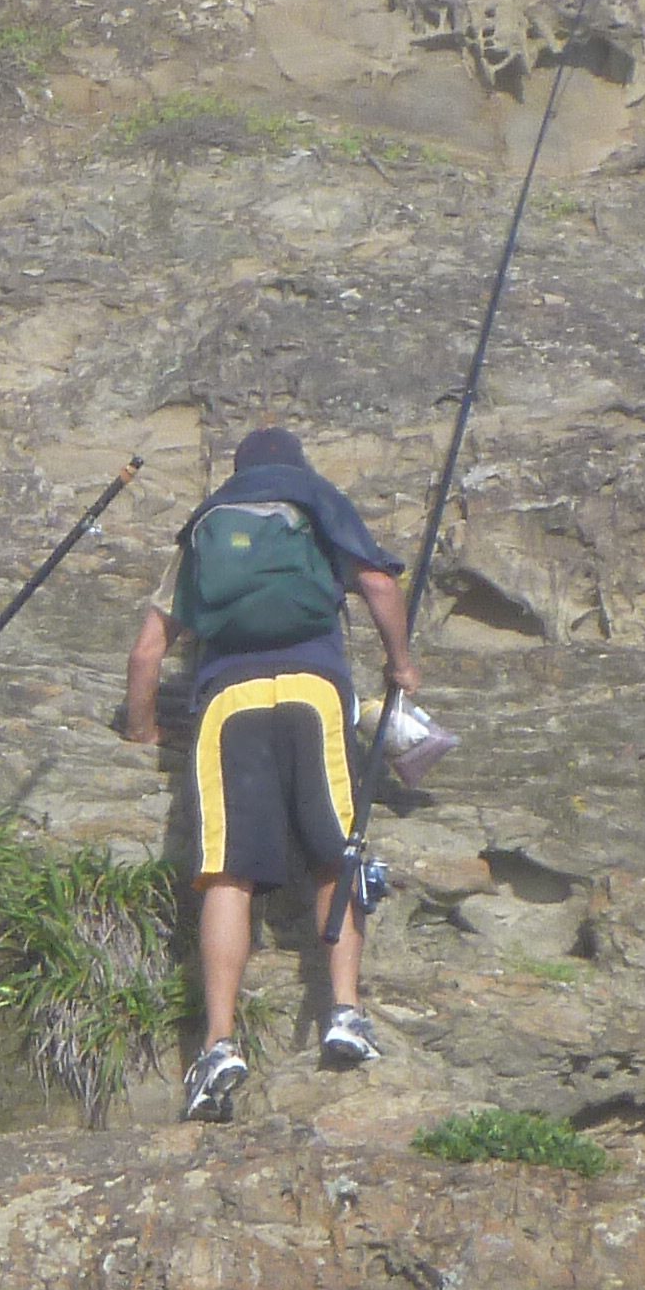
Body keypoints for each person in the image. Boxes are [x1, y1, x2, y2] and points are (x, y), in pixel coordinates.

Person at [117, 428, 420, 1120]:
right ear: (297, 465)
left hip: (229, 699)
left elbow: (146, 653)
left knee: (228, 871)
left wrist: (143, 729)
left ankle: (219, 1043)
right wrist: (401, 665)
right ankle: (344, 1012)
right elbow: (378, 582)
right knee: (333, 854)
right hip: (316, 691)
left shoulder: (205, 526)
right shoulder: (315, 499)